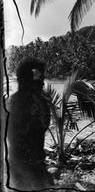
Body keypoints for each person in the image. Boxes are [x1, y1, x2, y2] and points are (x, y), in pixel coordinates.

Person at [7, 58, 54, 190]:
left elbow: (40, 128)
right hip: (23, 162)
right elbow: (13, 134)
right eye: (38, 74)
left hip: (33, 161)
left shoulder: (37, 100)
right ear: (27, 76)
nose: (42, 79)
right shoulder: (17, 101)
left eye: (42, 75)